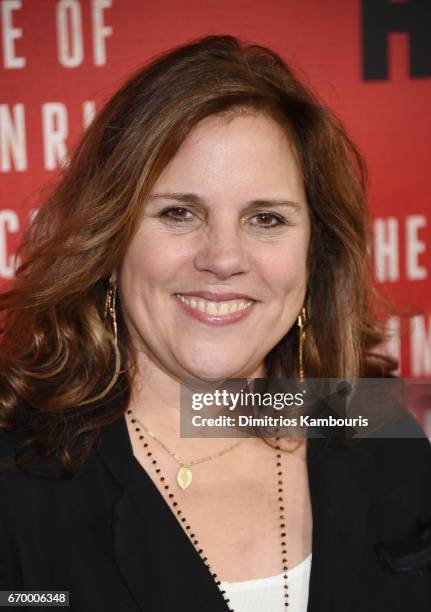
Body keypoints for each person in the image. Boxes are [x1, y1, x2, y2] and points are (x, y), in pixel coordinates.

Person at [0, 35, 430, 612]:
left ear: (314, 252)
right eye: (179, 213)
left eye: (267, 218)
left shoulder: (378, 430)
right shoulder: (18, 480)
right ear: (111, 237)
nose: (224, 258)